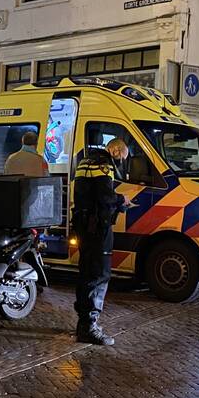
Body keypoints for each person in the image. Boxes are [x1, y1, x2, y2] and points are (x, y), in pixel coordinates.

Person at [71, 138, 131, 345]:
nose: (121, 161)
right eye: (122, 156)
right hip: (97, 228)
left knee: (86, 271)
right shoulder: (104, 166)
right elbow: (105, 198)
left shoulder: (85, 161)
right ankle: (89, 327)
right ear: (115, 150)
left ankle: (83, 322)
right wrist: (122, 200)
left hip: (83, 224)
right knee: (99, 274)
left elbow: (89, 194)